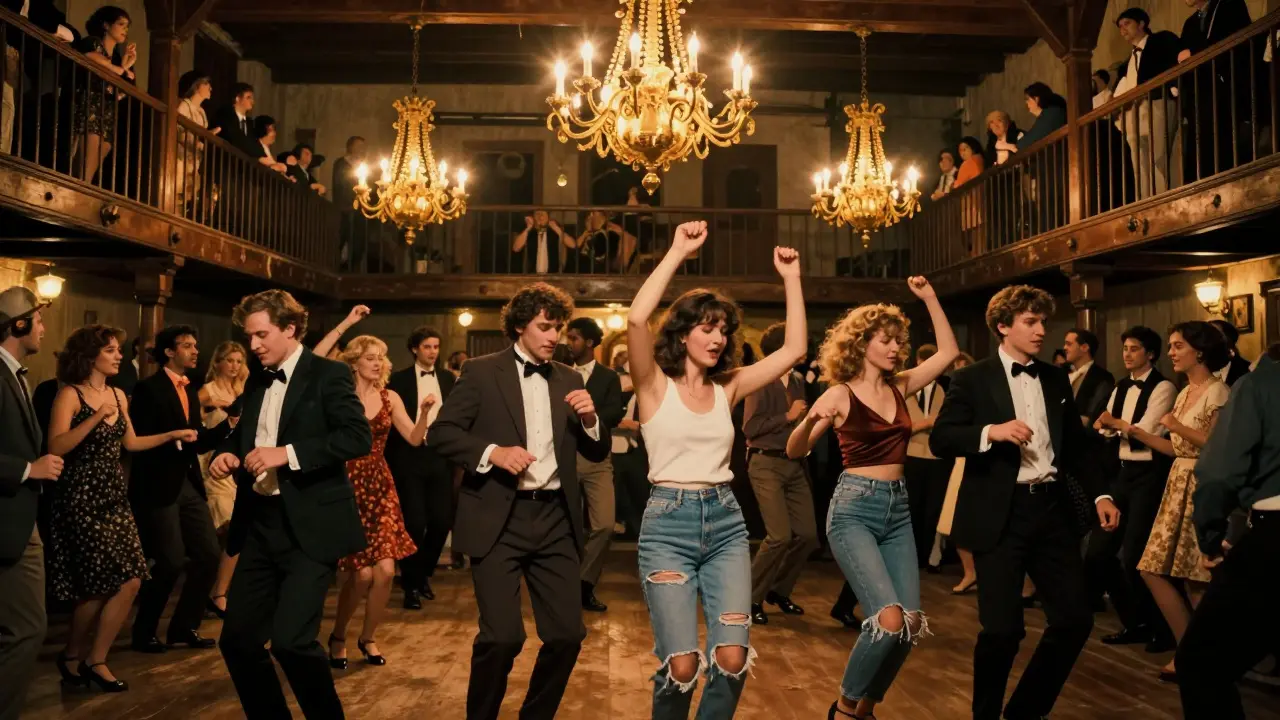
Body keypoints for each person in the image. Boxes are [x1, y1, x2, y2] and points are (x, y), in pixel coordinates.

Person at [627, 222, 805, 718]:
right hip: (668, 527)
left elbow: (793, 350)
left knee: (731, 658)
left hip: (725, 524)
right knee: (682, 666)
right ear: (682, 333)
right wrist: (677, 252)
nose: (717, 337)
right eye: (707, 327)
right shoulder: (652, 385)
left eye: (723, 330)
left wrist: (791, 279)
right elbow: (637, 319)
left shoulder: (729, 386)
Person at [929, 285, 1121, 720]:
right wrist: (990, 432)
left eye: (1042, 322)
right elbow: (942, 439)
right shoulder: (971, 378)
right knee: (1002, 630)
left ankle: (1024, 713)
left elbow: (1075, 447)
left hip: (1052, 512)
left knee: (1074, 620)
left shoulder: (1055, 378)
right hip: (1000, 514)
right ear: (1003, 326)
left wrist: (1101, 494)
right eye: (1030, 322)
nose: (1040, 331)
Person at [428, 282, 611, 720]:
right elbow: (441, 434)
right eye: (545, 327)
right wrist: (492, 453)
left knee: (567, 635)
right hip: (498, 518)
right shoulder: (480, 371)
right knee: (502, 638)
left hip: (555, 520)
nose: (554, 336)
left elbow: (596, 451)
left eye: (558, 328)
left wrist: (591, 419)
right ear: (518, 327)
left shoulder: (569, 377)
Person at [787, 277, 957, 720]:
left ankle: (865, 708)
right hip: (854, 509)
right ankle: (844, 709)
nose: (896, 348)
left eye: (899, 341)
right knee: (887, 620)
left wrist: (929, 297)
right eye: (886, 340)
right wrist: (811, 421)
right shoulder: (839, 393)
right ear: (861, 345)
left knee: (910, 624)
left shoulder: (901, 385)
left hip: (897, 508)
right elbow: (794, 450)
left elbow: (947, 353)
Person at [208, 289, 373, 718]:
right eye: (249, 336)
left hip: (310, 526)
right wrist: (226, 452)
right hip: (259, 525)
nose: (253, 345)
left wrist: (288, 454)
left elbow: (357, 437)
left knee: (292, 642)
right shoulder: (258, 378)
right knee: (238, 641)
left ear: (290, 329)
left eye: (261, 335)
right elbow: (241, 433)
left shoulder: (328, 374)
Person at [47, 325, 197, 692]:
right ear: (90, 356)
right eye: (111, 350)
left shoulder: (117, 394)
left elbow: (131, 443)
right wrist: (96, 417)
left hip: (114, 496)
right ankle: (72, 655)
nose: (119, 356)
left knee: (132, 579)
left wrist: (172, 434)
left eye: (118, 350)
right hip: (80, 498)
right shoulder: (69, 394)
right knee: (96, 587)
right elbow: (56, 446)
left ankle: (96, 660)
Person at [312, 332, 431, 668]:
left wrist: (424, 413)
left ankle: (368, 638)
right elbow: (314, 363)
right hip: (346, 484)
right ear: (353, 363)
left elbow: (414, 438)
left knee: (386, 571)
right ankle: (338, 636)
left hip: (379, 485)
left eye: (381, 357)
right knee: (360, 575)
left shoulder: (390, 397)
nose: (377, 363)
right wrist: (347, 323)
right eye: (370, 357)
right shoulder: (339, 396)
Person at [1178, 348, 1280, 719]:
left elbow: (1220, 472)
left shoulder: (1261, 382)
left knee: (1200, 663)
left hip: (1274, 536)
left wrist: (1210, 536)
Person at [127, 325, 234, 654]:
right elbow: (137, 441)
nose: (195, 350)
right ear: (169, 352)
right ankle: (144, 631)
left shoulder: (190, 389)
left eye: (195, 345)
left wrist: (228, 426)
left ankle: (184, 626)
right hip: (158, 484)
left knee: (208, 554)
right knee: (171, 561)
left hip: (188, 482)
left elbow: (196, 440)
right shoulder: (148, 389)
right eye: (187, 345)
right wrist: (172, 438)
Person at [1136, 321, 1231, 681]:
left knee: (1196, 578)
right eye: (1171, 345)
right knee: (1152, 569)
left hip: (1201, 485)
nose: (1171, 353)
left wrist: (1176, 426)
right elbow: (1176, 449)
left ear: (1200, 351)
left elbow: (1217, 446)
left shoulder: (1218, 391)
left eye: (1178, 346)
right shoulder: (1185, 392)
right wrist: (1135, 432)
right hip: (1177, 481)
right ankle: (1191, 650)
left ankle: (1201, 657)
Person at [1088, 326, 1178, 651]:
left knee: (1137, 555)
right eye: (1125, 348)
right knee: (1098, 553)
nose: (1127, 354)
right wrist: (1116, 427)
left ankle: (1162, 628)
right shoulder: (1121, 385)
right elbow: (1102, 426)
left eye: (1134, 348)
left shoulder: (1164, 387)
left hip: (1149, 476)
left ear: (1150, 354)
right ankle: (1134, 620)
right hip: (1121, 474)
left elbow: (1148, 430)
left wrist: (1117, 426)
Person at [0, 286, 63, 719]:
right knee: (25, 630)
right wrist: (28, 469)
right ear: (18, 325)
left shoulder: (16, 374)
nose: (42, 327)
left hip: (23, 518)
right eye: (37, 320)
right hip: (9, 521)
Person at [743, 322, 819, 626]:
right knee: (779, 536)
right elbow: (750, 428)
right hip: (766, 463)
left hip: (794, 464)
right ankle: (748, 598)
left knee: (808, 535)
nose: (804, 350)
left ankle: (778, 590)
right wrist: (787, 416)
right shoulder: (760, 380)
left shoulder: (798, 380)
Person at [387, 322, 457, 609]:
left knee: (441, 521)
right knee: (414, 523)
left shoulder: (448, 379)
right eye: (427, 347)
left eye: (436, 347)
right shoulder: (398, 380)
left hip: (440, 455)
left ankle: (421, 574)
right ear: (415, 349)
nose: (432, 352)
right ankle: (411, 585)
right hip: (408, 456)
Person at [565, 317, 624, 613]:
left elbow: (614, 413)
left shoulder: (608, 377)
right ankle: (562, 587)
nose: (568, 343)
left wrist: (588, 415)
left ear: (589, 342)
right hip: (563, 457)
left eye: (573, 338)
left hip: (598, 457)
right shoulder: (559, 372)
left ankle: (584, 584)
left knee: (604, 525)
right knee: (567, 526)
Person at [198, 340, 248, 619]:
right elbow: (194, 424)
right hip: (212, 463)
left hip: (237, 465)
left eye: (239, 361)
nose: (234, 366)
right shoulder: (207, 391)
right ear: (218, 362)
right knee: (224, 526)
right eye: (229, 360)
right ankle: (212, 591)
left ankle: (220, 592)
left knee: (236, 529)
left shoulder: (242, 390)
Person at [1114, 8, 1181, 199]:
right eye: (1120, 26)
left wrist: (1173, 90)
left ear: (1141, 23)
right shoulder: (1128, 61)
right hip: (1134, 113)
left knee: (1159, 156)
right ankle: (1145, 200)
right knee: (1139, 162)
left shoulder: (1159, 41)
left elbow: (1173, 61)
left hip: (1156, 102)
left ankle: (1164, 198)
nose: (1123, 29)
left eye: (1127, 23)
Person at [71, 6, 136, 183]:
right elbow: (90, 56)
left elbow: (120, 90)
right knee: (86, 159)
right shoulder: (94, 42)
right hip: (91, 105)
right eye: (121, 24)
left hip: (107, 111)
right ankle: (81, 189)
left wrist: (125, 66)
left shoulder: (116, 57)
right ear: (106, 25)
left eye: (127, 26)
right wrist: (120, 70)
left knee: (104, 148)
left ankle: (84, 187)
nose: (125, 30)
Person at [903, 344, 954, 571]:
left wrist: (935, 425)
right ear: (918, 363)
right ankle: (910, 556)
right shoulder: (905, 390)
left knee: (934, 509)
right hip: (910, 455)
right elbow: (898, 427)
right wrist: (925, 424)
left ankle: (931, 557)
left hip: (937, 457)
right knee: (911, 507)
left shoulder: (946, 390)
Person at [1063, 328, 1115, 426]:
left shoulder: (1102, 377)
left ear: (1084, 347)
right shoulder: (1062, 373)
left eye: (1069, 344)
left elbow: (1093, 416)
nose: (1064, 347)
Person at [512, 210, 570, 274]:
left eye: (543, 214)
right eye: (537, 214)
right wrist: (528, 228)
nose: (540, 216)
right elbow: (516, 248)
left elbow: (572, 245)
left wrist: (557, 229)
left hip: (553, 274)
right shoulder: (529, 231)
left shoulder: (554, 231)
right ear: (533, 217)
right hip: (531, 274)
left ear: (548, 217)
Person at [1208, 319, 1251, 386]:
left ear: (1229, 341)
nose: (1208, 340)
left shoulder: (1248, 371)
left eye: (1214, 334)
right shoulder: (1199, 370)